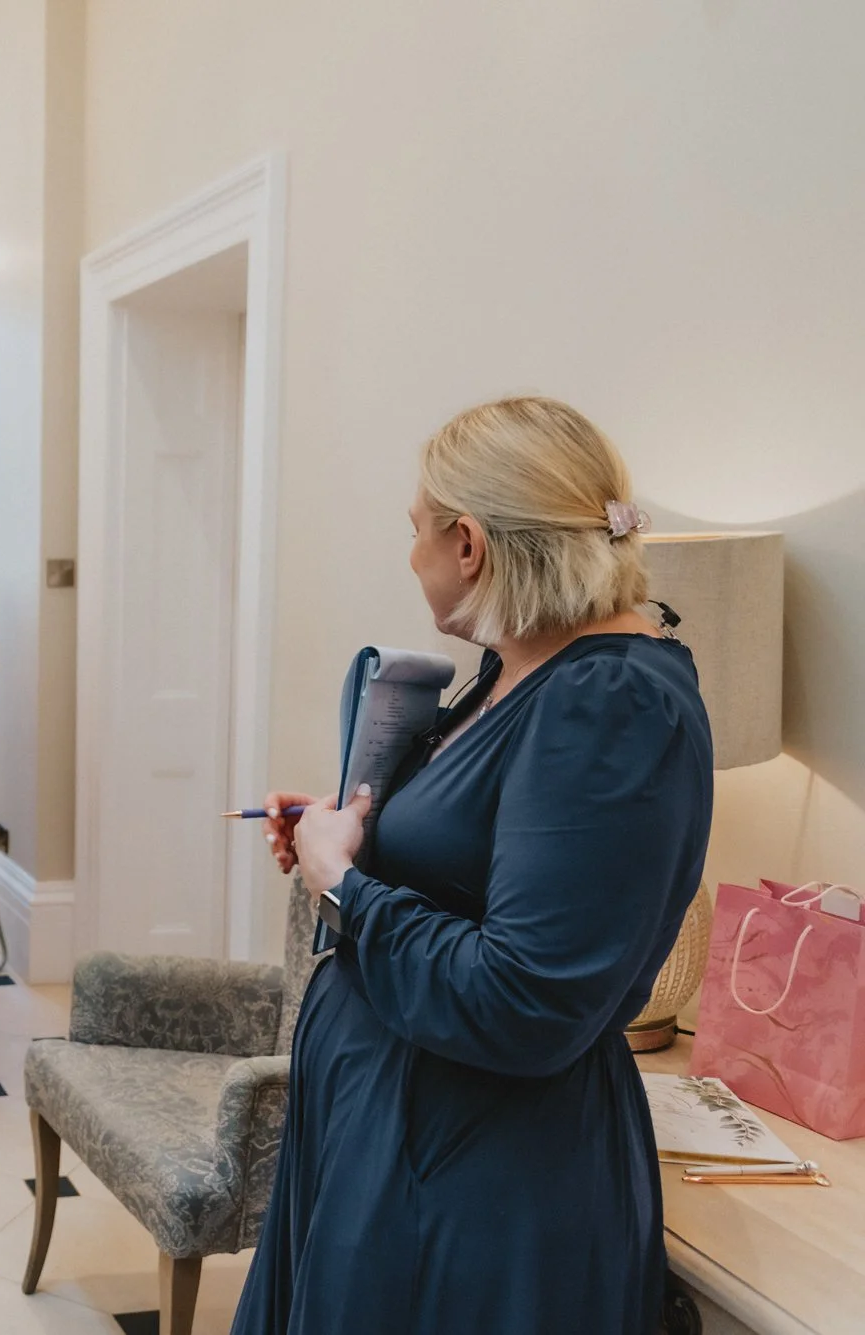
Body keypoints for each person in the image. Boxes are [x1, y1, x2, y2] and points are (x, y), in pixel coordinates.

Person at [235, 397, 714, 1335]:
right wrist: (357, 838)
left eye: (414, 530)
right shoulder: (515, 670)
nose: (409, 554)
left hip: (474, 1168)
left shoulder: (610, 704)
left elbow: (524, 997)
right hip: (396, 1129)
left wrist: (344, 884)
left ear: (469, 543)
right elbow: (477, 859)